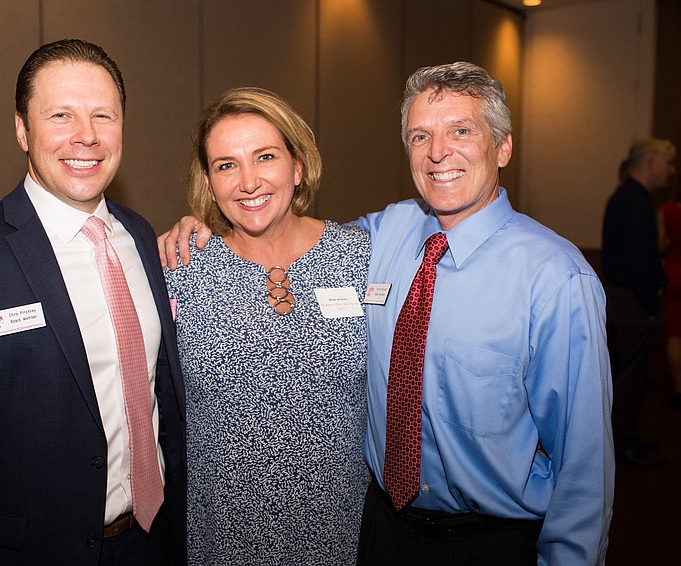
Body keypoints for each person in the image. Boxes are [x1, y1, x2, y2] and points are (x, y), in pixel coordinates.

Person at [162, 62, 613, 565]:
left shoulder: (554, 278)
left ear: (503, 147)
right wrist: (191, 228)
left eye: (460, 131)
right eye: (421, 136)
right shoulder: (383, 236)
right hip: (376, 532)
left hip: (487, 539)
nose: (438, 152)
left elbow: (584, 465)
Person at [0, 39, 186, 565]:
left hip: (151, 543)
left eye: (103, 115)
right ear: (22, 129)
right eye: (61, 115)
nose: (86, 135)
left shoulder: (139, 236)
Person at [164, 87, 370, 564]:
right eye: (226, 165)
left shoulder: (362, 257)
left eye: (265, 157)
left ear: (298, 166)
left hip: (347, 536)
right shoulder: (178, 269)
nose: (248, 181)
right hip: (222, 541)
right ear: (209, 182)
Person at [603, 139, 675, 466]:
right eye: (667, 164)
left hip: (627, 300)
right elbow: (639, 264)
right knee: (629, 379)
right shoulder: (634, 202)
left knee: (629, 377)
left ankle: (625, 438)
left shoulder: (629, 197)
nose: (671, 171)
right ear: (649, 164)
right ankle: (620, 445)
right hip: (633, 304)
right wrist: (650, 305)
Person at [660, 188, 681, 408]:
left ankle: (678, 385)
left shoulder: (668, 211)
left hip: (674, 272)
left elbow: (660, 244)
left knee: (675, 333)